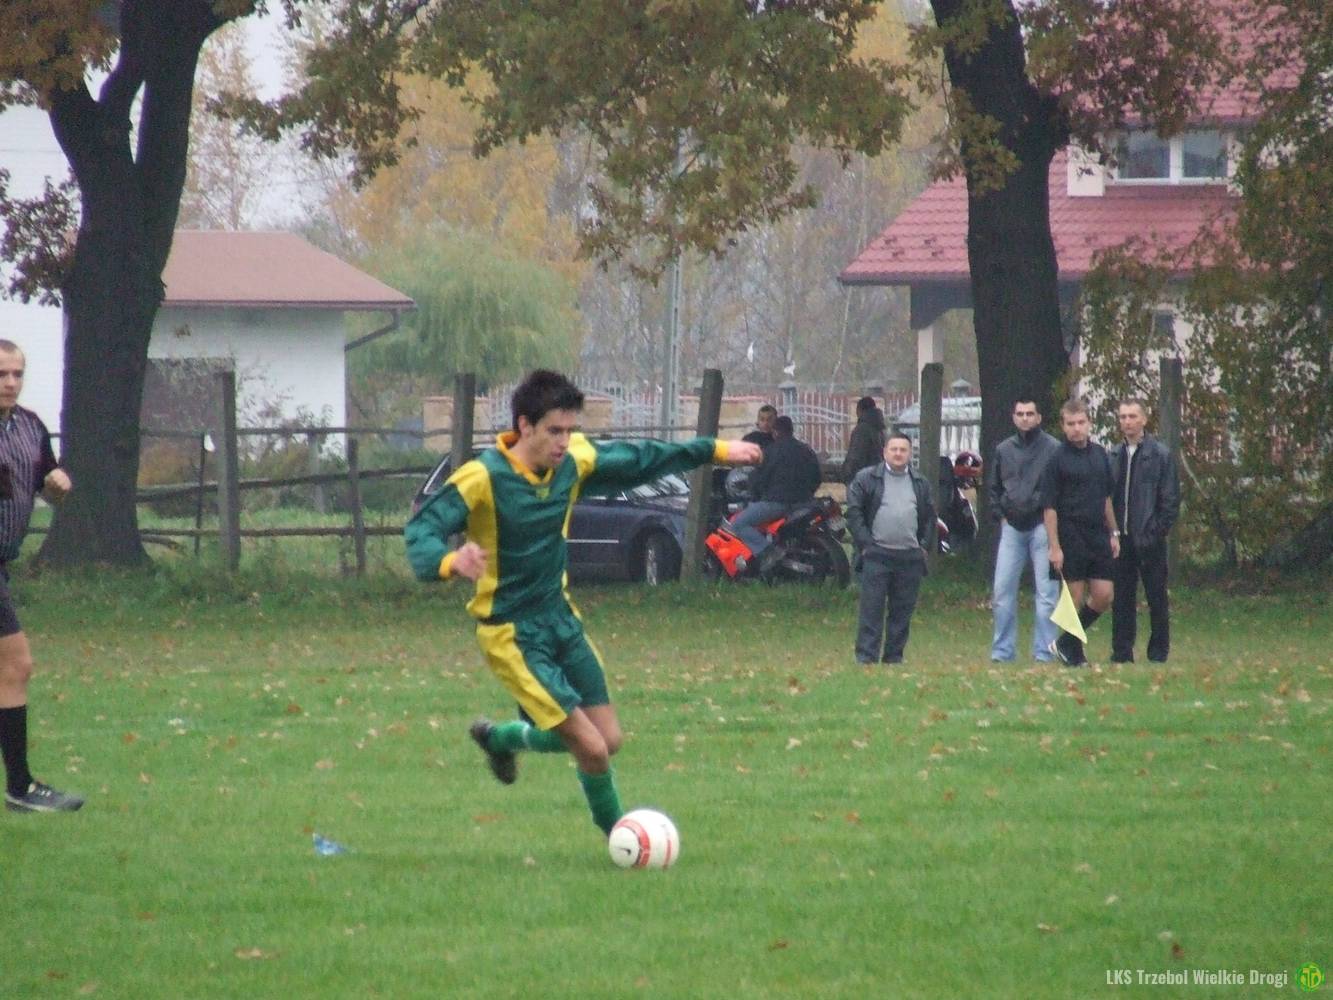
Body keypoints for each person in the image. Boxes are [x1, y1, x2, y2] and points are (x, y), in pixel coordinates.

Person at [404, 370, 760, 841]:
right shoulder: (483, 477)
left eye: (570, 430)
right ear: (524, 425)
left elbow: (640, 459)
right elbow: (422, 530)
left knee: (608, 740)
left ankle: (500, 738)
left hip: (561, 619)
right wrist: (450, 561)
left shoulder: (574, 459)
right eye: (554, 430)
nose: (564, 441)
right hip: (511, 633)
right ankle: (624, 838)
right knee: (590, 749)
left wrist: (713, 450)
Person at [0, 340, 81, 812]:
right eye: (1, 374)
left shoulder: (30, 427)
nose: (10, 383)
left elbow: (46, 487)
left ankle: (20, 787)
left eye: (17, 374)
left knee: (12, 669)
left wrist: (58, 485)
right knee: (16, 665)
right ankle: (21, 788)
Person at [1041, 399, 1120, 666]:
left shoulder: (1100, 455)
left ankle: (1065, 643)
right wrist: (1054, 546)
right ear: (1063, 426)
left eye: (1081, 422)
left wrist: (1114, 532)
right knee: (1073, 597)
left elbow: (1106, 497)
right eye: (1071, 424)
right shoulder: (1056, 459)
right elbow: (1049, 508)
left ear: (1089, 423)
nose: (1076, 428)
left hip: (1098, 534)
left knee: (1104, 594)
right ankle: (1073, 653)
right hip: (1070, 534)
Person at [846, 432, 934, 664]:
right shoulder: (866, 479)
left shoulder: (920, 483)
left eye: (903, 450)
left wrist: (923, 547)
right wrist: (866, 544)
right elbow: (854, 513)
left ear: (910, 454)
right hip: (877, 555)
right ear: (884, 452)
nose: (898, 454)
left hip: (910, 557)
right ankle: (866, 657)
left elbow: (929, 517)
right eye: (893, 449)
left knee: (902, 611)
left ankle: (894, 657)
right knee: (871, 609)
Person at [987, 398, 1061, 662]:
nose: (1025, 418)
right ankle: (1002, 652)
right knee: (1002, 592)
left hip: (1043, 527)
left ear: (1039, 417)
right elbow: (993, 487)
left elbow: (1060, 488)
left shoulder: (1053, 448)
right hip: (1012, 528)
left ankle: (1045, 651)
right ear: (1014, 417)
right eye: (1020, 413)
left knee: (1047, 594)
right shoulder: (1003, 449)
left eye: (1030, 413)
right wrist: (1001, 516)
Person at [1109, 398, 1180, 663]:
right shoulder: (1114, 455)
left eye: (1132, 416)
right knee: (1122, 598)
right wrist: (1112, 531)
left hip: (1149, 538)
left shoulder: (1160, 455)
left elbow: (1170, 500)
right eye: (1123, 417)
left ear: (1144, 419)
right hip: (1121, 539)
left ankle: (1158, 651)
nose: (1127, 422)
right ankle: (1122, 651)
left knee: (1156, 596)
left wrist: (1156, 531)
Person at [730, 415, 821, 574]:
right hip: (804, 503)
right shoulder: (806, 450)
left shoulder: (771, 451)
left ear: (775, 432)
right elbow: (817, 477)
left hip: (777, 503)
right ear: (791, 430)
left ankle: (767, 552)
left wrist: (754, 494)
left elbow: (759, 479)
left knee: (739, 523)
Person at [841, 396, 886, 482]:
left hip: (863, 480)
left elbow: (855, 457)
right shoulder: (881, 430)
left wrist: (846, 475)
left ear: (859, 410)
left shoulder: (861, 430)